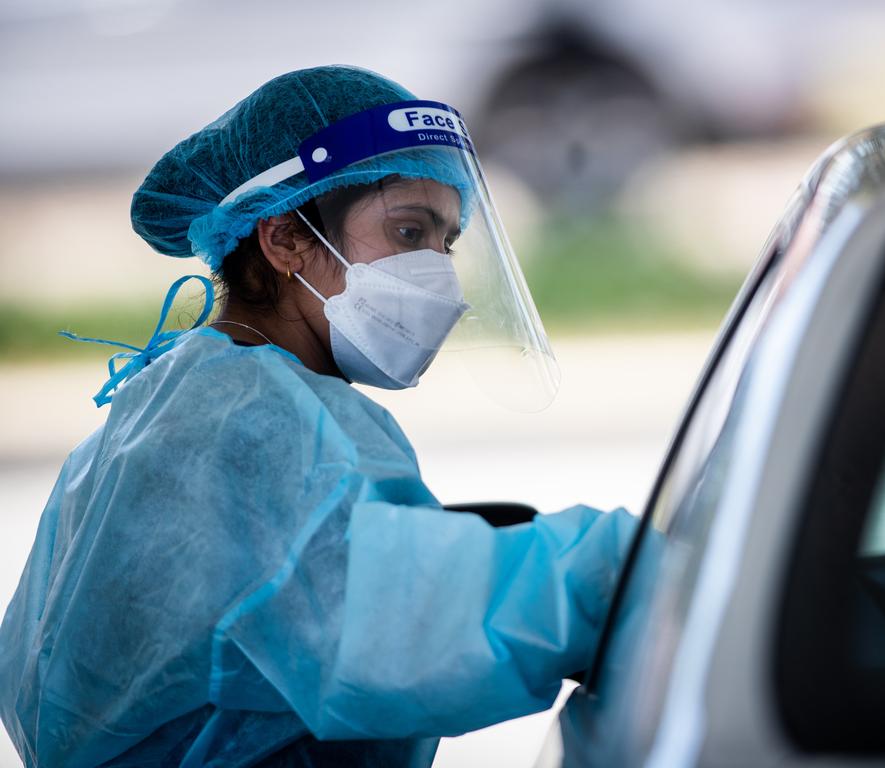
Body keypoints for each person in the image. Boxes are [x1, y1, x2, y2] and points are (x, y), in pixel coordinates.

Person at [0, 65, 636, 767]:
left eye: (446, 242)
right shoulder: (249, 427)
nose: (439, 275)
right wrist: (626, 568)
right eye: (407, 230)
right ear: (284, 241)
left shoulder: (175, 399)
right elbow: (408, 626)